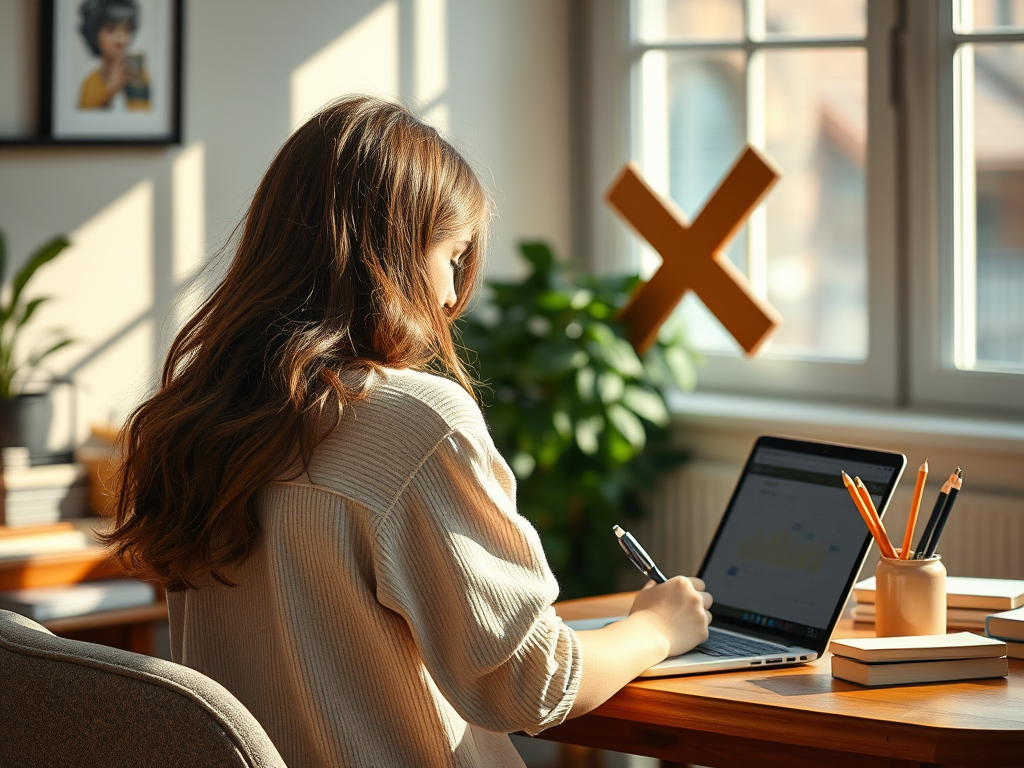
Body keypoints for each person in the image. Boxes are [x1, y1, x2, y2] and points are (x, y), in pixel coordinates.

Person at [104, 96, 713, 768]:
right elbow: (530, 683)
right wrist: (657, 625)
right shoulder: (416, 421)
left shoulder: (196, 422)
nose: (454, 296)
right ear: (388, 254)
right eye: (452, 256)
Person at [78, 0, 150, 110]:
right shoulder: (90, 83)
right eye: (111, 30)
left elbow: (145, 115)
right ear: (94, 33)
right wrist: (110, 89)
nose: (121, 39)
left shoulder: (138, 76)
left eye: (127, 29)